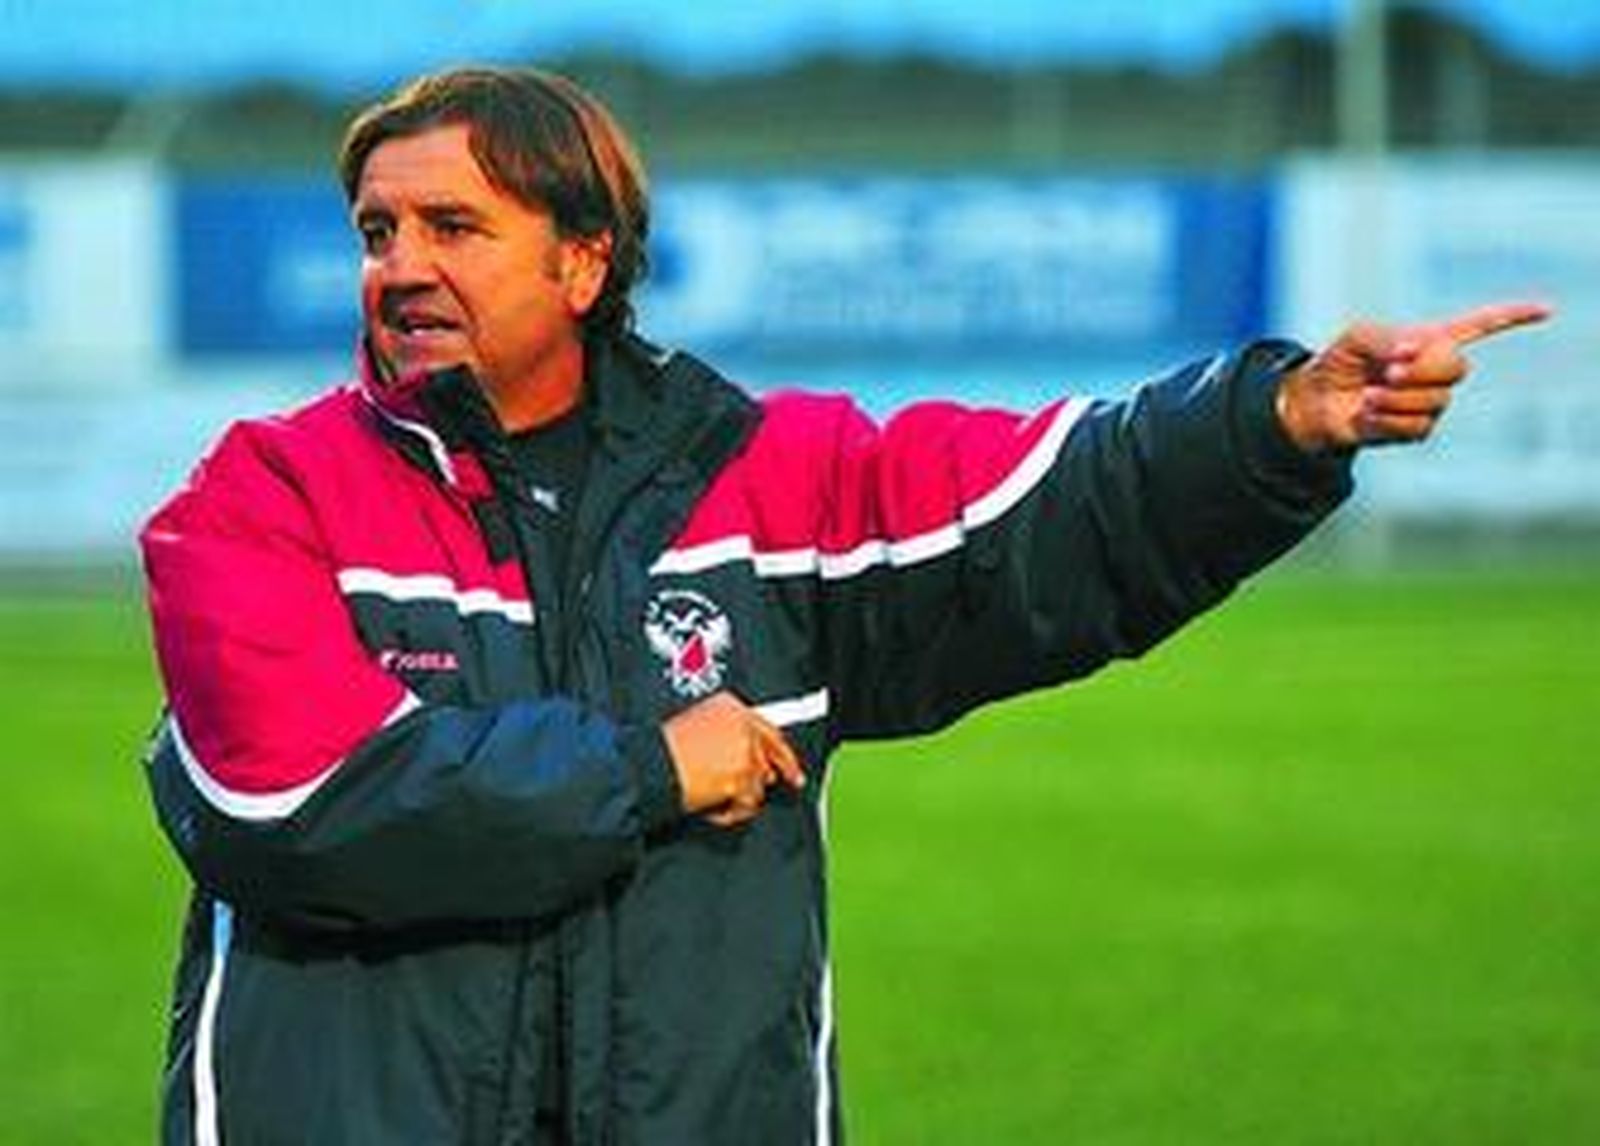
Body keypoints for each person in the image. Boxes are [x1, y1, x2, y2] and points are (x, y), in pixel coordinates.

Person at [139, 64, 1548, 1146]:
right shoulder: (264, 493)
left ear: (582, 260)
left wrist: (1279, 421)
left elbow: (1043, 510)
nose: (398, 265)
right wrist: (649, 770)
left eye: (452, 226)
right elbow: (300, 804)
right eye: (376, 230)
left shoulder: (767, 476)